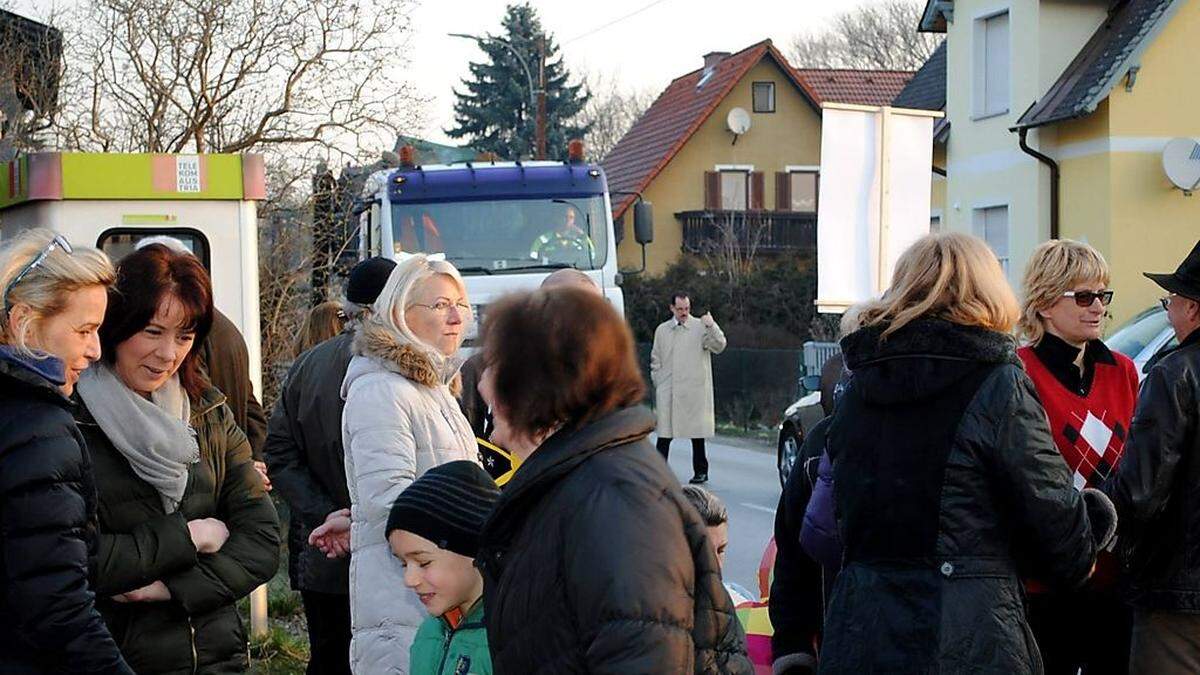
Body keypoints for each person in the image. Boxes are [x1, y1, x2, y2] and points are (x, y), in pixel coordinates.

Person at [818, 232, 1112, 673]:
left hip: (864, 626)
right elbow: (1058, 524)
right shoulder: (997, 382)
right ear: (987, 290)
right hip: (970, 630)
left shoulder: (859, 382)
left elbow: (839, 508)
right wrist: (1096, 520)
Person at [474, 285, 753, 673]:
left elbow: (643, 655)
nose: (484, 383)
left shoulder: (615, 500)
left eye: (496, 371)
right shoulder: (583, 481)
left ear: (533, 390)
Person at [75, 244, 280, 674]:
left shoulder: (207, 410)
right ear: (114, 325)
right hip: (115, 660)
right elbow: (79, 558)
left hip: (219, 659)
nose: (168, 354)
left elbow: (261, 541)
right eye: (152, 332)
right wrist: (192, 536)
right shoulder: (72, 422)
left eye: (184, 336)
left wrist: (169, 587)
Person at [323, 254, 479, 674]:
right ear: (399, 312)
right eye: (440, 305)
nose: (455, 317)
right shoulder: (381, 388)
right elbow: (390, 501)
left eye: (461, 305)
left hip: (437, 597)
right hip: (403, 606)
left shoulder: (432, 386)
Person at [0, 230, 134, 674]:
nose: (95, 351)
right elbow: (57, 607)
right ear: (25, 320)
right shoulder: (38, 424)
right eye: (84, 330)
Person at [263, 256, 395, 675]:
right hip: (387, 554)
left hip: (324, 551)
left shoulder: (308, 364)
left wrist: (323, 514)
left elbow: (279, 454)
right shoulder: (406, 368)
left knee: (329, 657)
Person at [1017, 240, 1139, 675]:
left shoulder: (1122, 370)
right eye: (1083, 296)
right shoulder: (1019, 374)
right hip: (1044, 579)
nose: (1097, 308)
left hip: (1115, 576)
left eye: (1103, 296)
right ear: (1046, 303)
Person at [1102, 240, 1200, 674]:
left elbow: (1140, 492)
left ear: (1193, 309)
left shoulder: (1176, 372)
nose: (1168, 312)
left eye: (1171, 301)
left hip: (1178, 598)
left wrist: (1087, 518)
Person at [133, 236, 270, 481]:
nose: (168, 355)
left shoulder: (198, 343)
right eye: (153, 332)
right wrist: (253, 458)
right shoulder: (230, 331)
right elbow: (251, 407)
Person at [386, 461, 500, 675]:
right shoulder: (429, 633)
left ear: (474, 550)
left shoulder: (508, 642)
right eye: (403, 563)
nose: (409, 580)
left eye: (423, 563)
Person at [651, 291, 727, 484]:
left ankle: (701, 471)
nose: (684, 312)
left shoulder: (700, 327)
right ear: (672, 308)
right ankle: (659, 472)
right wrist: (658, 379)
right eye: (680, 309)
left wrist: (712, 326)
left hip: (694, 390)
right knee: (665, 435)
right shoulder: (662, 330)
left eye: (687, 308)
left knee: (697, 435)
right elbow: (655, 358)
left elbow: (719, 345)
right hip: (668, 389)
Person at [528, 205, 595, 268]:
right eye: (565, 217)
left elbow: (592, 255)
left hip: (575, 273)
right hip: (549, 273)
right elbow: (533, 258)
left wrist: (581, 233)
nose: (568, 220)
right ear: (557, 218)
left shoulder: (581, 238)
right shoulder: (543, 239)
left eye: (571, 217)